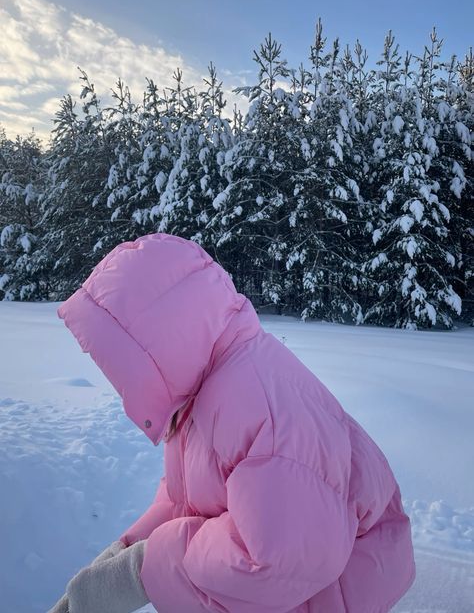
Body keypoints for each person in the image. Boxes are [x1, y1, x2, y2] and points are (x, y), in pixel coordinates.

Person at [49, 232, 416, 613]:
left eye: (115, 357)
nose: (111, 374)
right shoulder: (201, 389)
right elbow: (189, 503)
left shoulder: (254, 405)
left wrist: (142, 569)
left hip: (330, 593)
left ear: (155, 343)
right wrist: (125, 550)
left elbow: (274, 559)